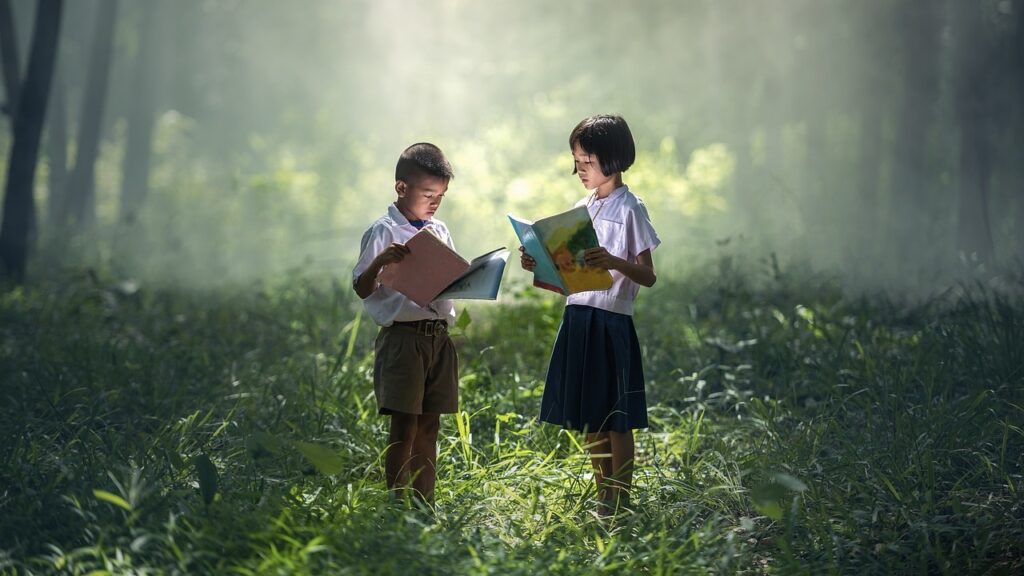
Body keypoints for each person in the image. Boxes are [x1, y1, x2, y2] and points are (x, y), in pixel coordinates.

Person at [520, 115, 660, 515]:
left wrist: (614, 260)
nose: (578, 170)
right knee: (591, 416)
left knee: (618, 416)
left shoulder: (631, 207)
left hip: (611, 319)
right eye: (575, 161)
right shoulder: (582, 209)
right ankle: (604, 497)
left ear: (612, 159)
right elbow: (566, 273)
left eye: (585, 161)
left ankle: (623, 499)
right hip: (578, 316)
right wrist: (539, 262)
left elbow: (648, 275)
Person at [352, 142, 459, 505]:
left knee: (430, 425)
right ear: (401, 187)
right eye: (428, 193)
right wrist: (380, 262)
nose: (434, 202)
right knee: (404, 427)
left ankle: (423, 502)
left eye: (441, 195)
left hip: (438, 338)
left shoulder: (439, 230)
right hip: (403, 339)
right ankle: (399, 504)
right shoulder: (383, 231)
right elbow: (362, 288)